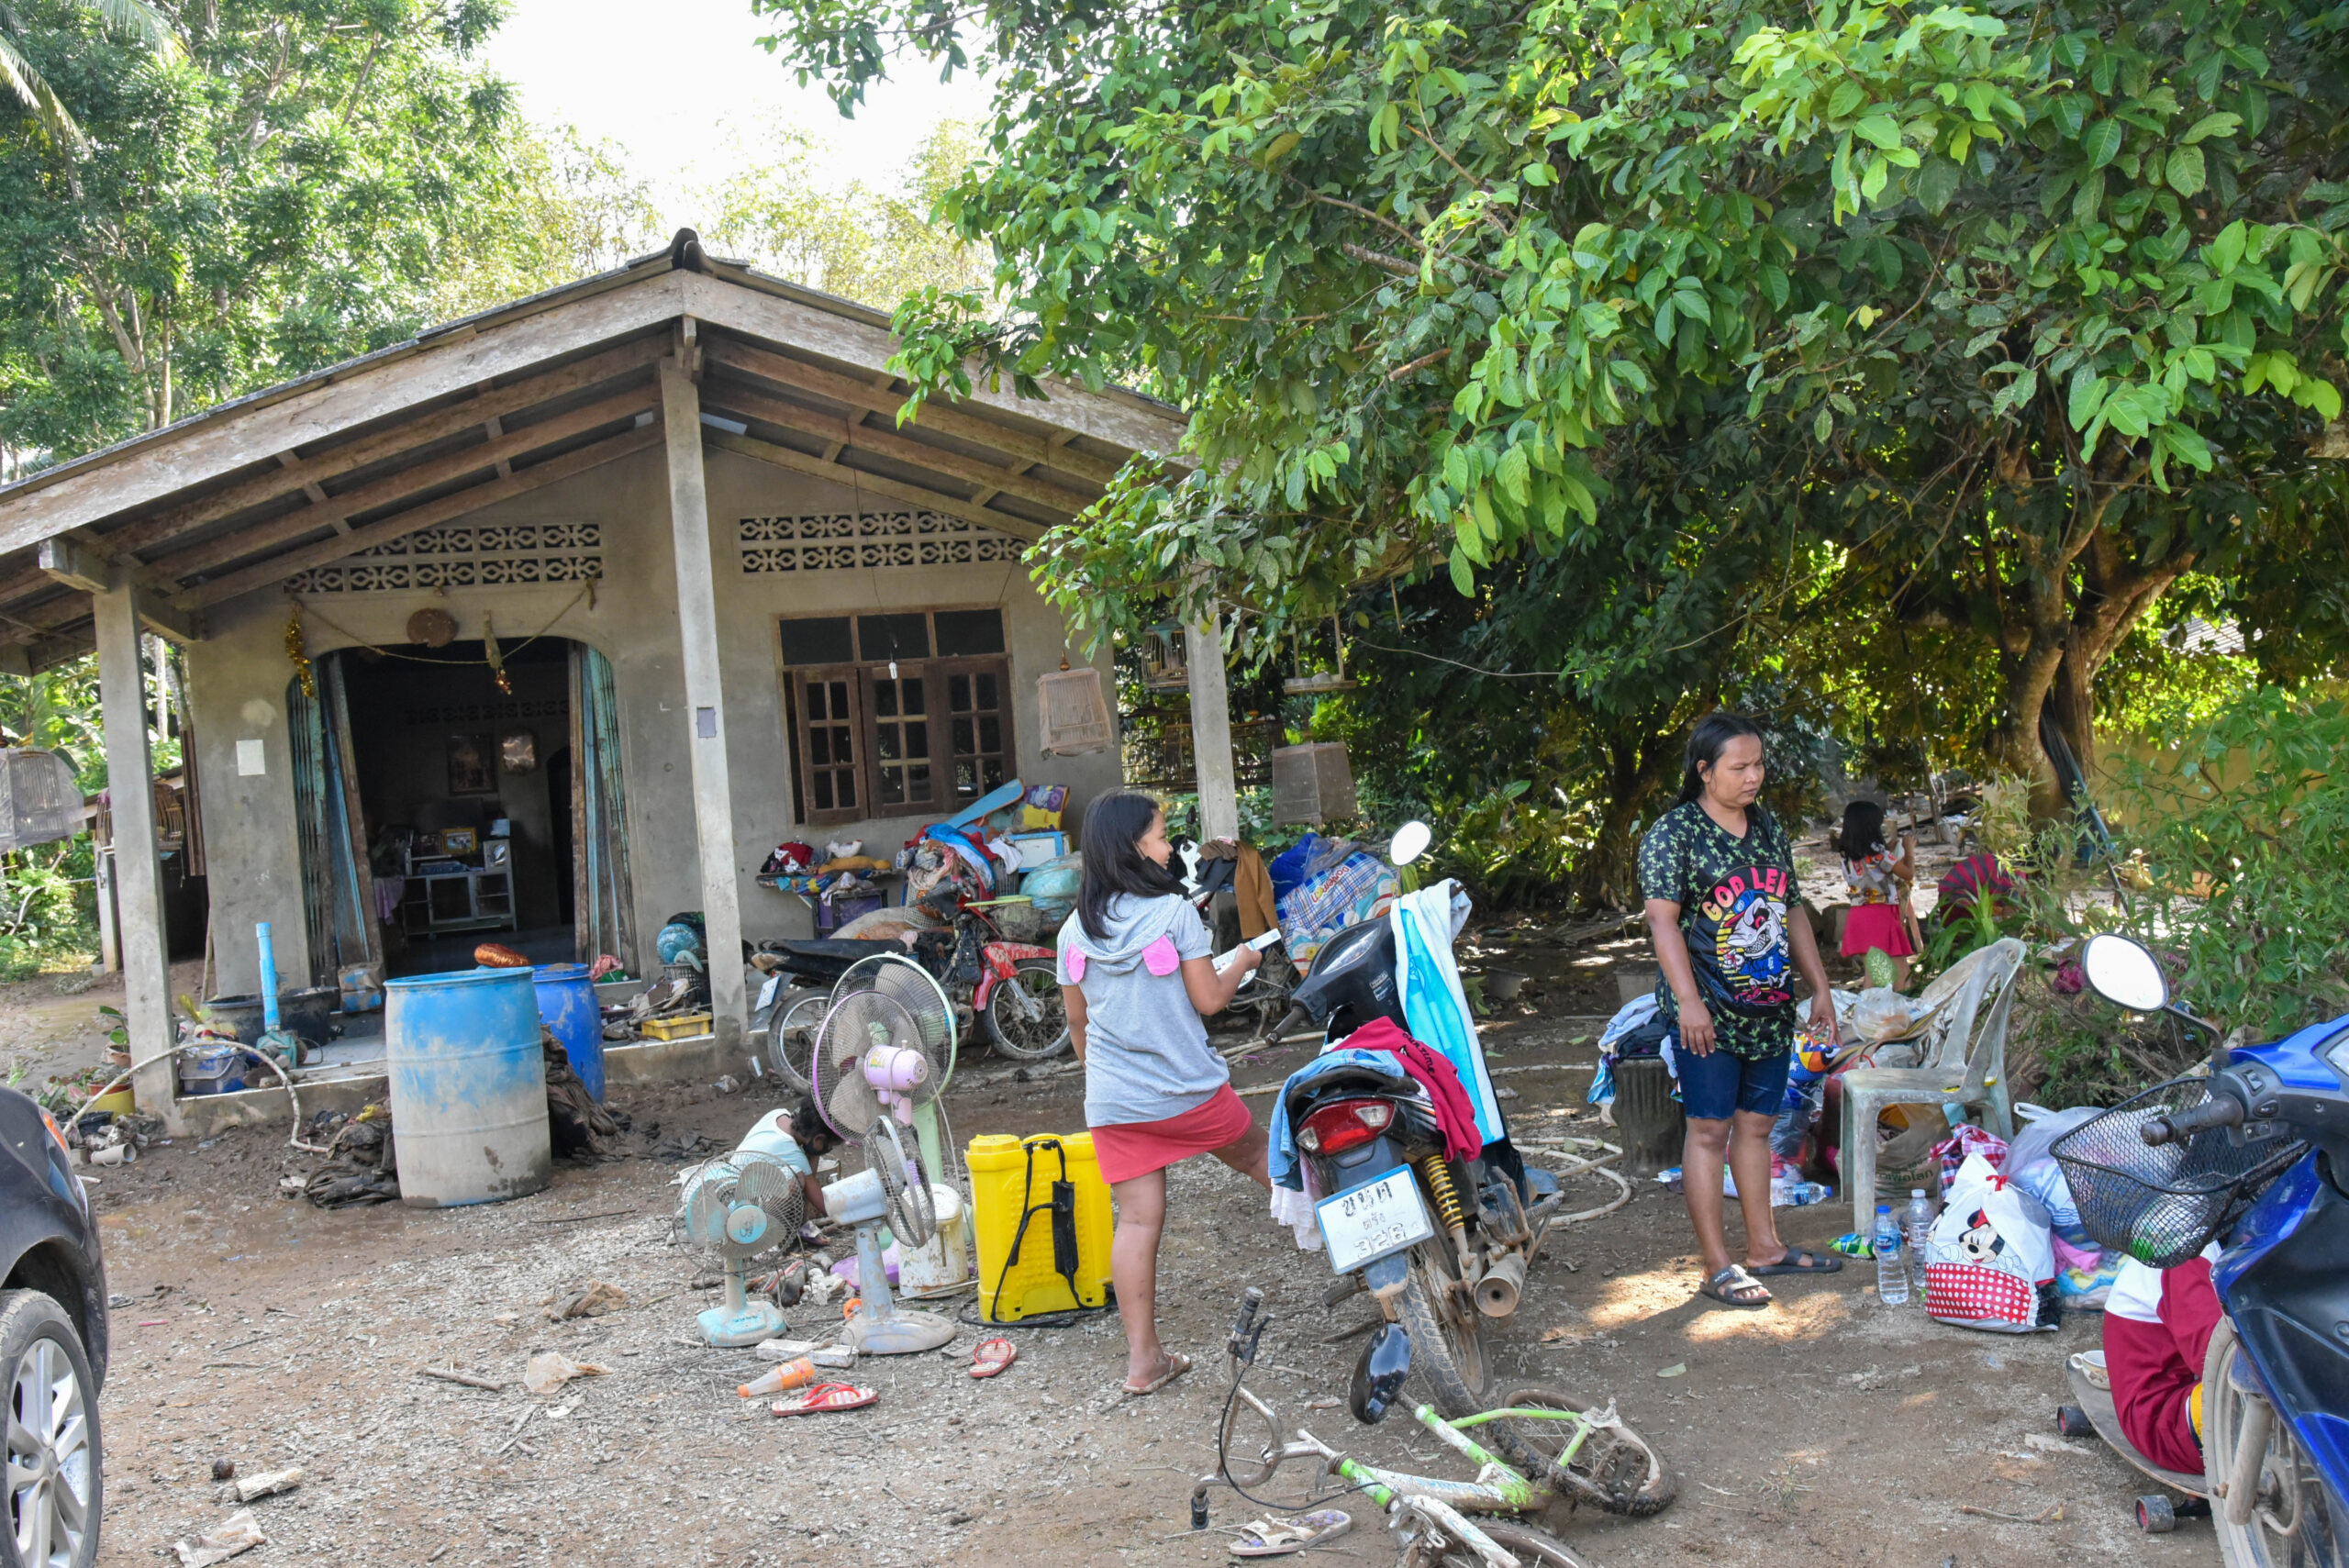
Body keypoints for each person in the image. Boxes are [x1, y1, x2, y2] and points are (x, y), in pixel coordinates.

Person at [1056, 791, 1266, 1395]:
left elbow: (1078, 1023)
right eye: (1159, 835)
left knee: (1136, 1222)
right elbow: (1210, 999)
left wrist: (1107, 1081)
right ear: (1132, 847)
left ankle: (1143, 1362)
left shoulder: (1073, 930)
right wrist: (1243, 959)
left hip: (1115, 1104)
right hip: (1189, 1091)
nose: (1170, 846)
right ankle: (1370, 1265)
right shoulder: (1174, 913)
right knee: (1266, 1159)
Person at [1640, 712, 1843, 1309]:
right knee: (1709, 1131)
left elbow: (1792, 907)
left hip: (1769, 1009)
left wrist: (1820, 986)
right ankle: (1717, 1266)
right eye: (1740, 766)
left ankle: (1765, 1248)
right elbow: (1662, 922)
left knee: (1756, 1127)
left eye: (1759, 764)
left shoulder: (1768, 826)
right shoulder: (1673, 833)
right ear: (1704, 771)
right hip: (1708, 1014)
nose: (1754, 776)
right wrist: (1688, 1003)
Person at [2103, 1246, 2223, 1475]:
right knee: (2264, 1395)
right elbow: (2216, 1360)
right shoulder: (2189, 1255)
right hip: (2162, 1420)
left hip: (2184, 1394)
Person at [1834, 800, 1919, 987]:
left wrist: (1888, 850)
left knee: (1872, 975)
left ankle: (1868, 1005)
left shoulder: (1846, 853)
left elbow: (1869, 867)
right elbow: (1908, 873)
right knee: (1901, 973)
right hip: (1880, 914)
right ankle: (1906, 1004)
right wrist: (1909, 852)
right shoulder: (1879, 853)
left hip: (1858, 915)